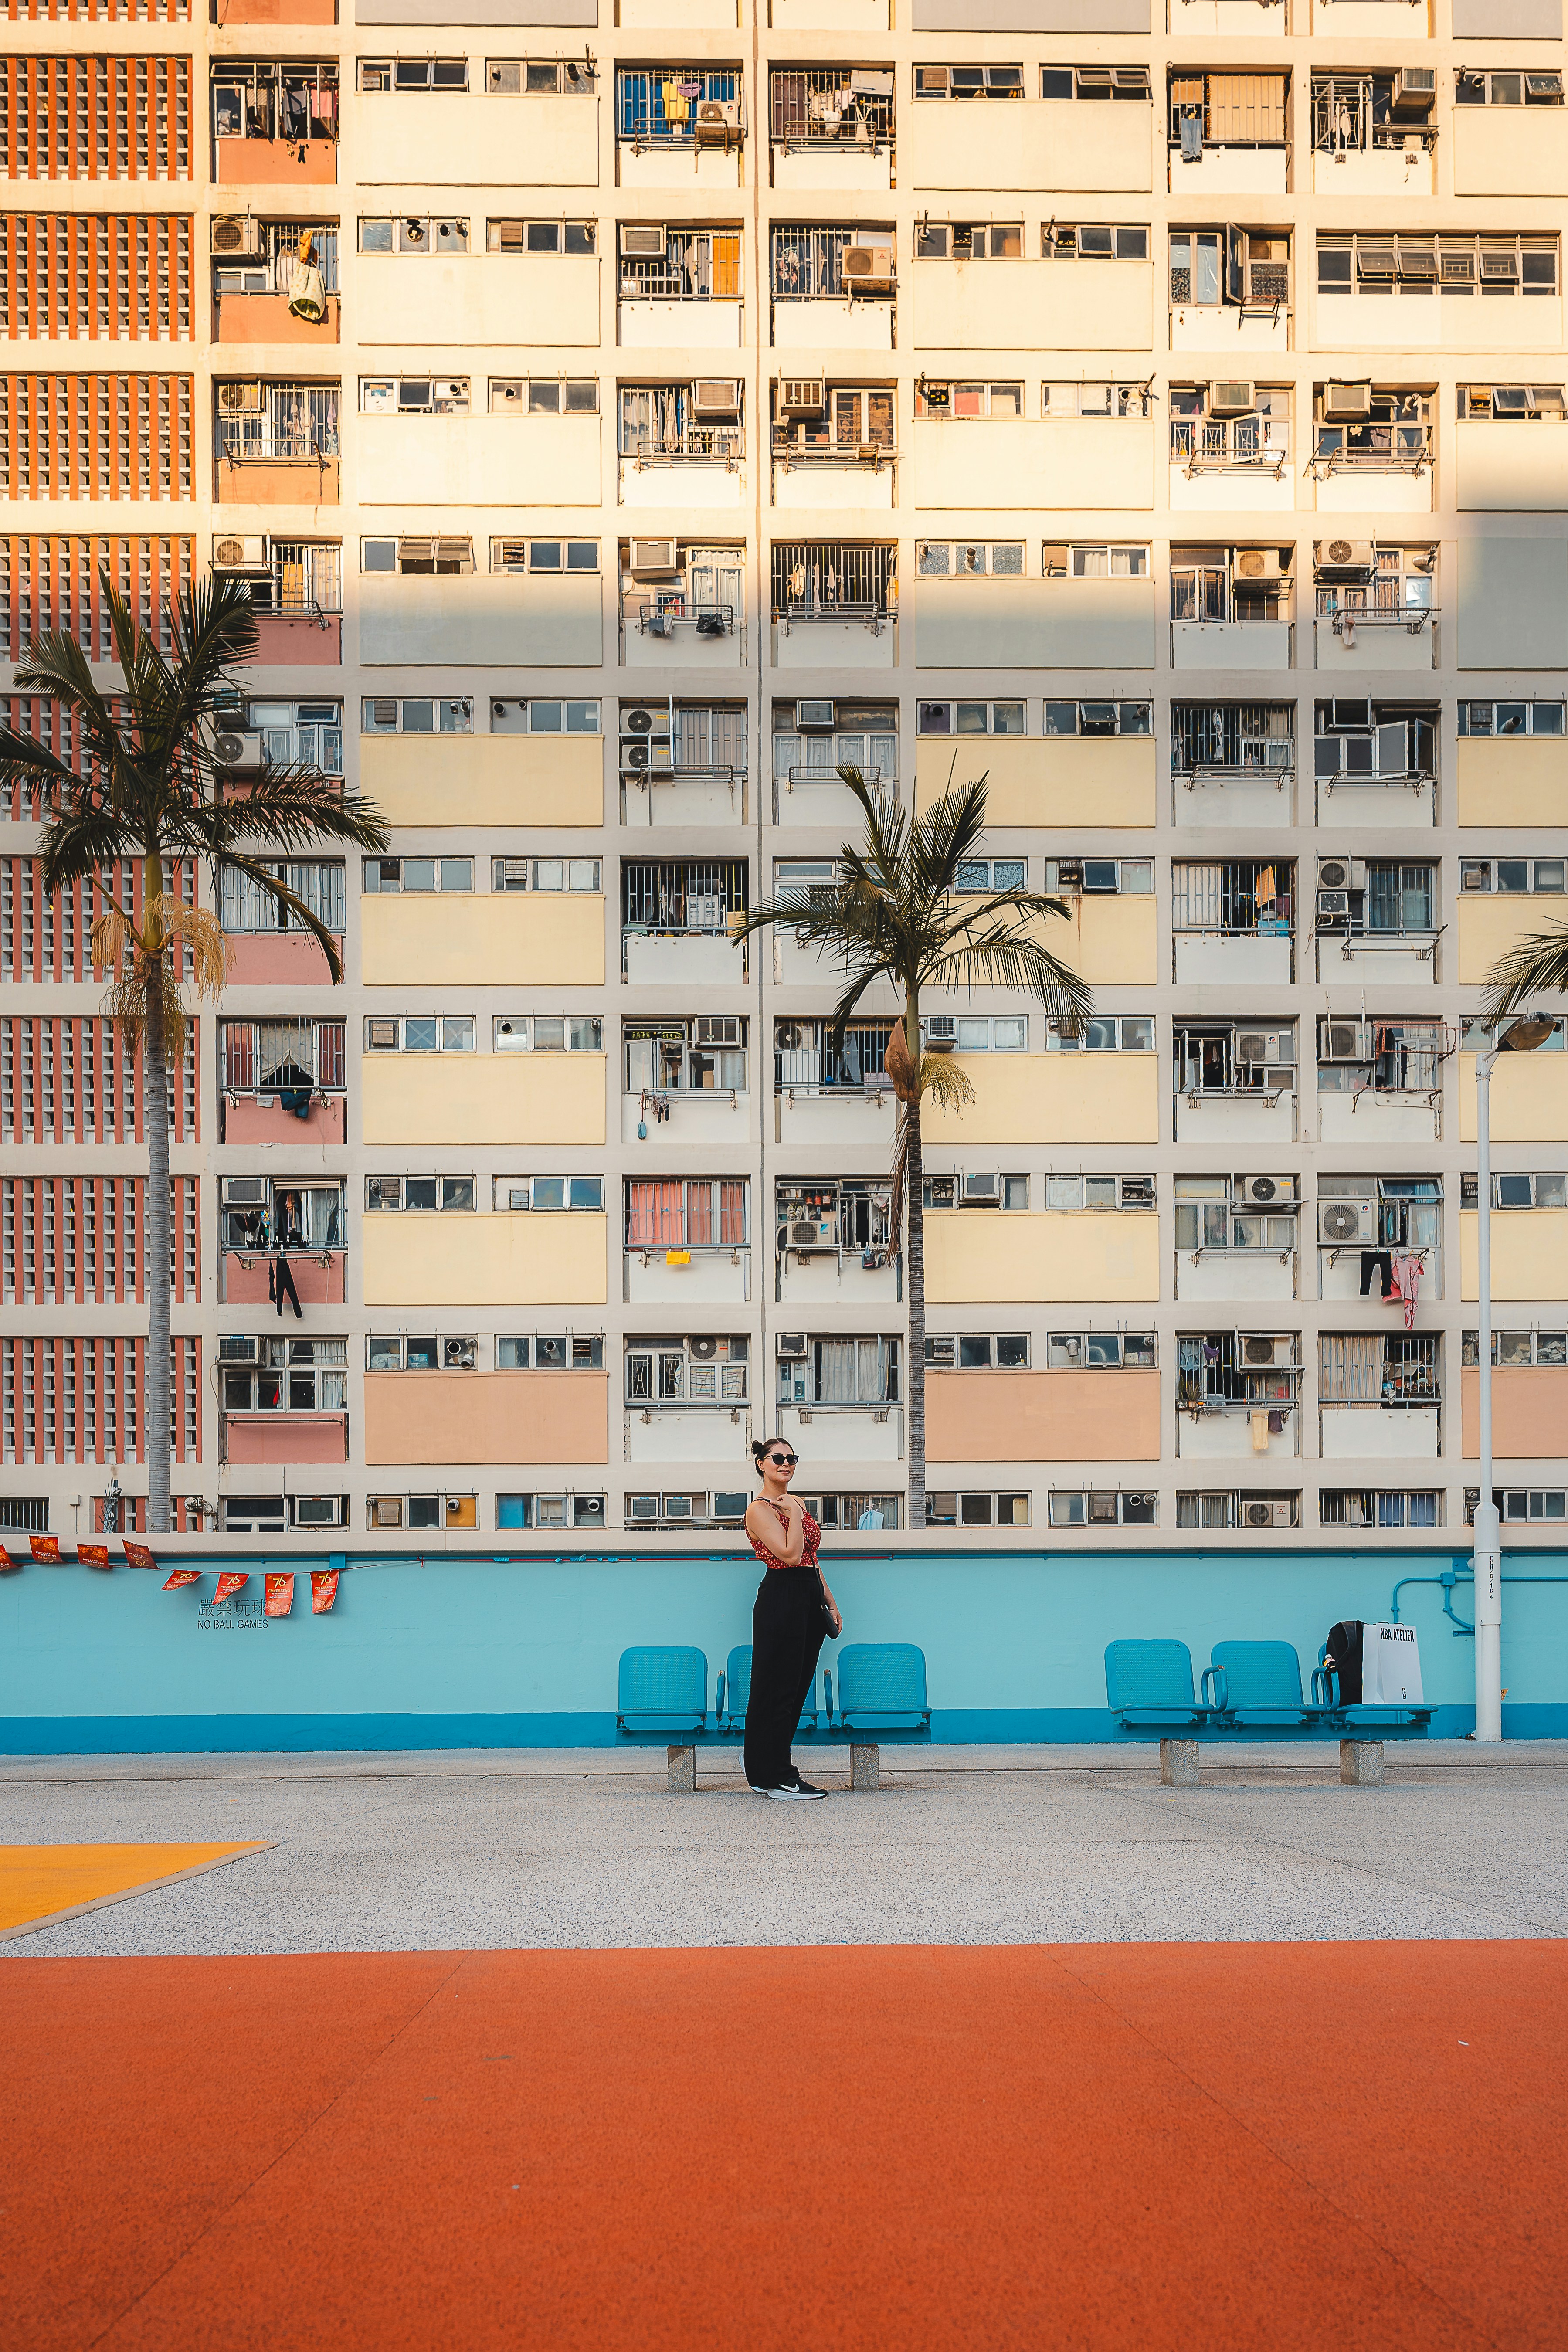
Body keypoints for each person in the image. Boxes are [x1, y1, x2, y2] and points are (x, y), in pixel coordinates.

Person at [743, 1438, 841, 1799]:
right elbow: (788, 1554)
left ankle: (764, 1768)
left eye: (791, 1458)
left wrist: (829, 1600)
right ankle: (777, 1775)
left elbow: (811, 1557)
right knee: (776, 1687)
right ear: (761, 1463)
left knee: (797, 1688)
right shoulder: (759, 1509)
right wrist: (797, 1513)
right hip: (781, 1597)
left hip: (808, 1595)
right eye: (778, 1458)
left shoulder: (793, 1502)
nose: (786, 1463)